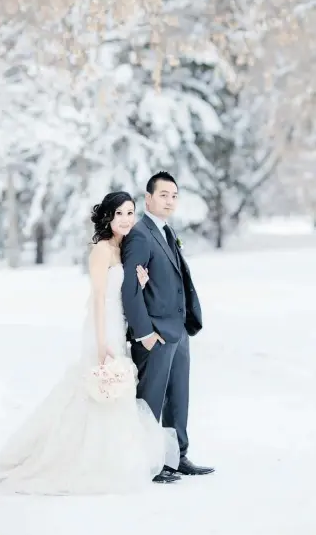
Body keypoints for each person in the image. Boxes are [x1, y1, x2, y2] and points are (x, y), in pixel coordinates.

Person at [0, 191, 179, 495]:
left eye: (130, 213)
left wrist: (138, 283)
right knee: (98, 385)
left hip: (118, 321)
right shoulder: (101, 249)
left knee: (118, 391)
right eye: (120, 214)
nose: (126, 220)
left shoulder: (123, 246)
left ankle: (114, 457)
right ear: (108, 217)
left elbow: (124, 290)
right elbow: (99, 299)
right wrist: (102, 344)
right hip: (103, 324)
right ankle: (83, 458)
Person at [121, 172, 215, 484]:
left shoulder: (166, 231)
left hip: (177, 330)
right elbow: (130, 290)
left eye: (174, 195)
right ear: (148, 199)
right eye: (163, 195)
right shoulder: (139, 234)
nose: (170, 200)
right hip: (155, 334)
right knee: (151, 400)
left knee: (178, 398)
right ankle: (150, 462)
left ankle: (177, 457)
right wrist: (145, 334)